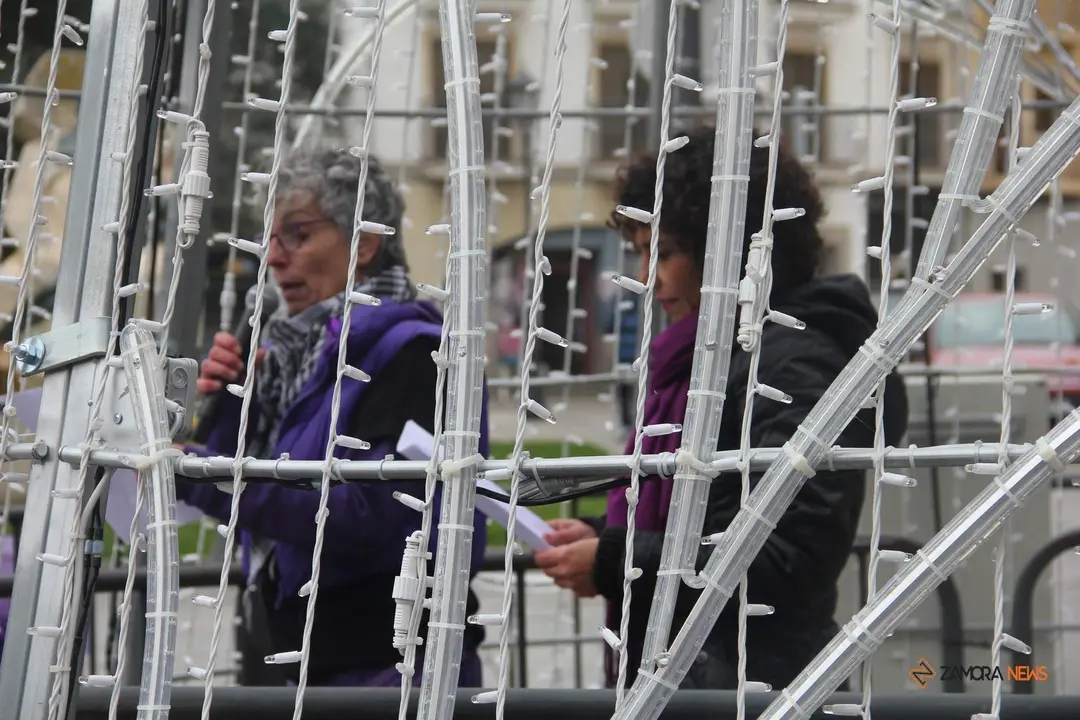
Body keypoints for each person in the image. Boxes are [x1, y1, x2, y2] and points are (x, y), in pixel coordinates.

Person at [534, 126, 909, 690]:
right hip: (713, 672)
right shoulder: (722, 357)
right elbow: (710, 510)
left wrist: (619, 560)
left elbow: (787, 557)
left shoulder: (791, 364)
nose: (648, 280)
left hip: (752, 683)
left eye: (664, 253)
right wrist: (602, 536)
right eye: (640, 254)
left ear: (729, 249)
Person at [177, 149, 489, 688]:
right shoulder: (293, 353)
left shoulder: (415, 353)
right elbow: (256, 491)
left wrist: (200, 474)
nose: (273, 258)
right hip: (291, 658)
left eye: (296, 235)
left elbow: (362, 510)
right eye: (269, 239)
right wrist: (230, 400)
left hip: (381, 671)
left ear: (364, 243)